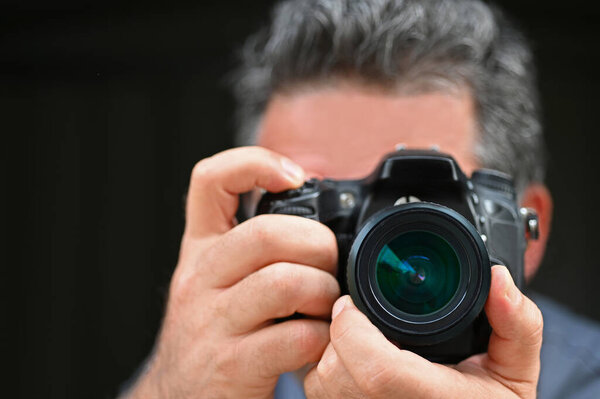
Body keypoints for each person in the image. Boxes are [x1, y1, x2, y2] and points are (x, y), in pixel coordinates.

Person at [121, 0, 600, 398]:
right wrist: (171, 387)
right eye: (324, 206)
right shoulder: (216, 365)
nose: (374, 248)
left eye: (420, 215)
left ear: (525, 233)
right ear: (248, 219)